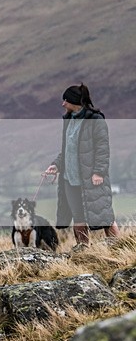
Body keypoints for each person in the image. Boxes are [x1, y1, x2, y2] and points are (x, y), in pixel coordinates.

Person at [44, 83, 119, 245]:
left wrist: (99, 172)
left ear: (74, 101)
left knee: (104, 215)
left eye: (66, 100)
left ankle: (118, 248)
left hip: (91, 178)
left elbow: (102, 149)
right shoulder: (69, 120)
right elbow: (67, 149)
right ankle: (83, 251)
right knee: (78, 216)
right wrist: (56, 165)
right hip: (70, 179)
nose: (63, 104)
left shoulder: (95, 119)